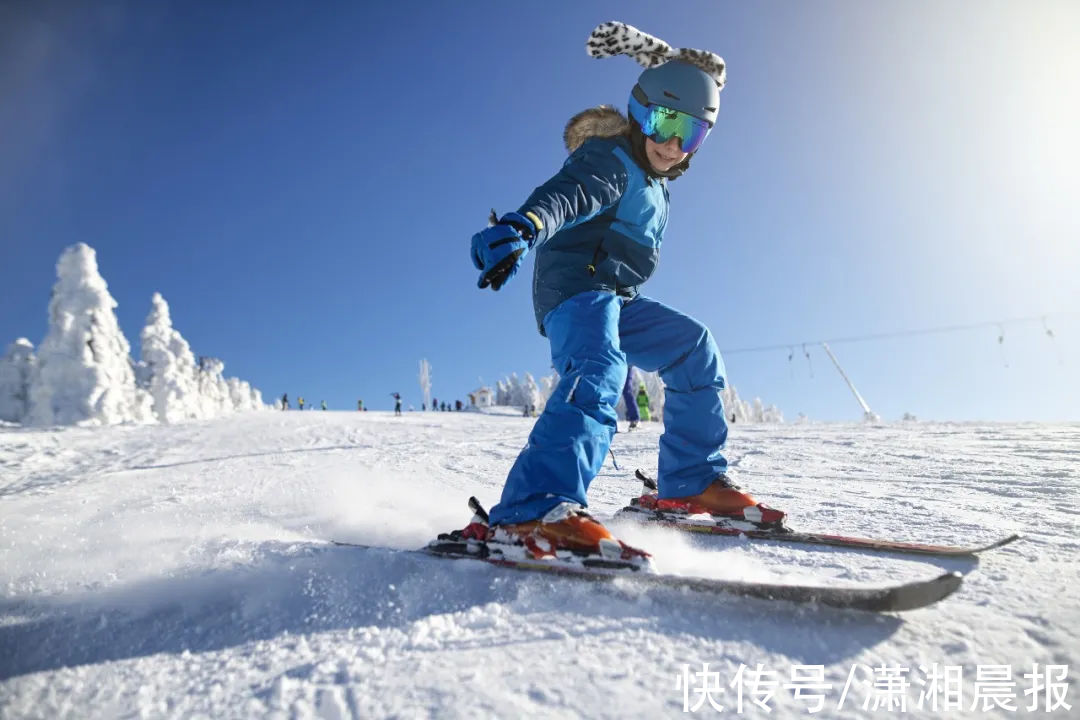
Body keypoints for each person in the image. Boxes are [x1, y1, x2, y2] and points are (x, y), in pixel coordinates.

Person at [464, 23, 765, 560]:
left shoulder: (658, 185)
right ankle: (532, 509)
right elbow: (570, 195)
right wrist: (526, 225)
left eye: (689, 134)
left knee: (693, 346)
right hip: (576, 290)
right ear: (639, 111)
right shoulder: (610, 158)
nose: (672, 145)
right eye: (664, 122)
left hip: (614, 298)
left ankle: (691, 481)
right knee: (602, 368)